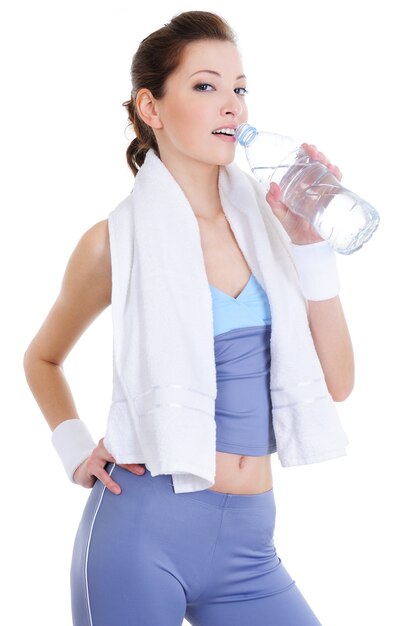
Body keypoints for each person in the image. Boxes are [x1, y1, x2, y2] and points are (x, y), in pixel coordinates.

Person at [23, 10, 354, 626]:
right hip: (141, 534)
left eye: (239, 88)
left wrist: (310, 243)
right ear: (151, 108)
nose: (232, 105)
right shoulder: (113, 244)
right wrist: (74, 447)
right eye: (206, 86)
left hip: (251, 550)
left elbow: (338, 382)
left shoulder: (275, 230)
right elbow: (41, 358)